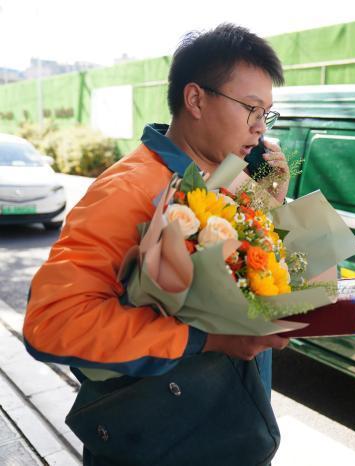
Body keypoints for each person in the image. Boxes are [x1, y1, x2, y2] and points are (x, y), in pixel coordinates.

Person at [23, 24, 290, 464]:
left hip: (229, 436)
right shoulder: (127, 189)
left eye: (267, 114)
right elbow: (54, 321)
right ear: (196, 99)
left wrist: (269, 206)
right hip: (151, 445)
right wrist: (206, 340)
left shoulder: (229, 181)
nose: (260, 128)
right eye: (250, 109)